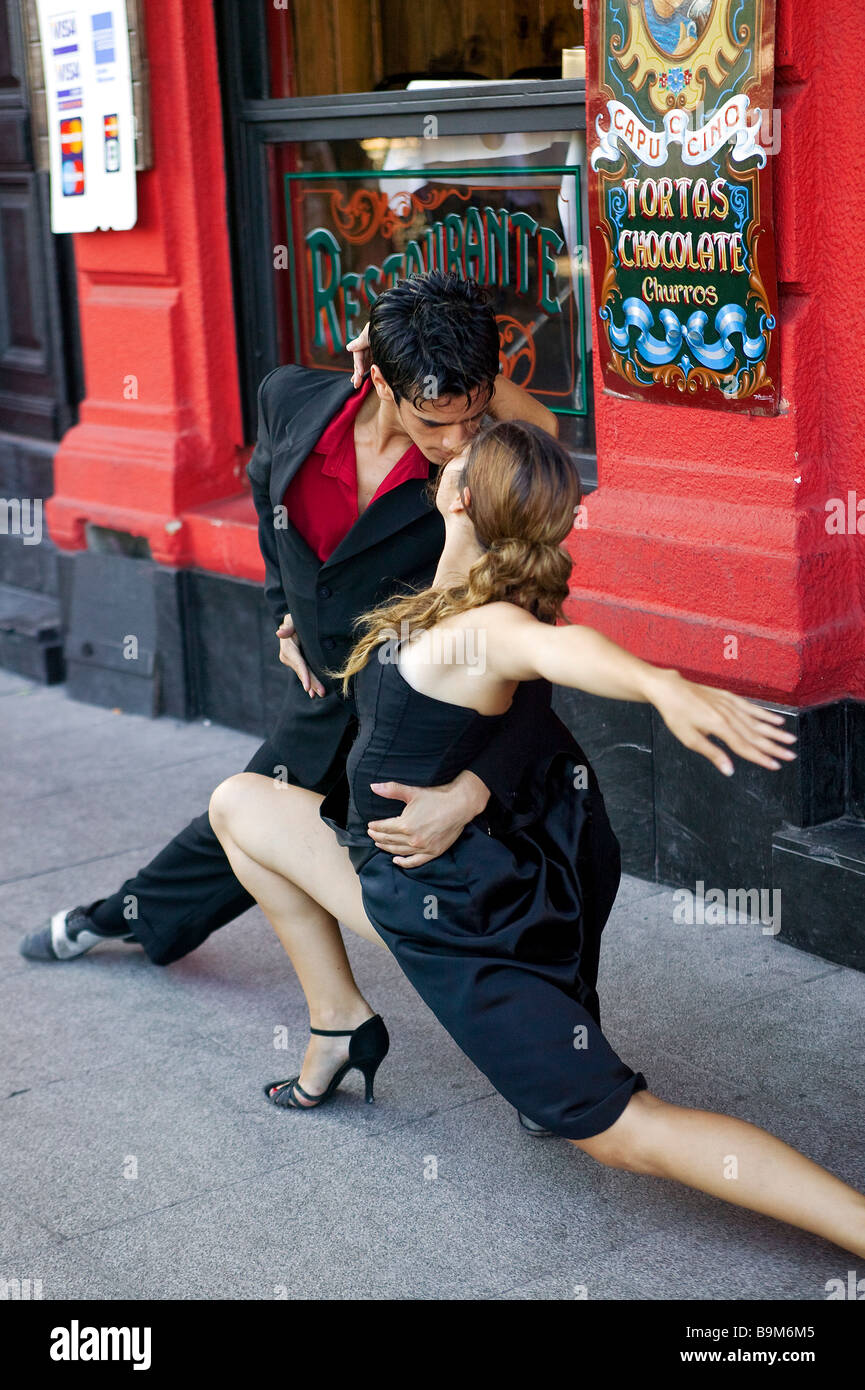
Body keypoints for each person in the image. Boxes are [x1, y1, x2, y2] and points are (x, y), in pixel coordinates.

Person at [208, 419, 865, 1257]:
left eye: (458, 459)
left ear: (456, 494)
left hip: (441, 913)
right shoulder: (453, 593)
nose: (446, 454)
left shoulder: (483, 628)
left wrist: (660, 684)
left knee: (622, 1131)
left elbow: (562, 651)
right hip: (418, 874)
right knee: (239, 802)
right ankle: (339, 1025)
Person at [19, 272, 558, 972]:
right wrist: (287, 612)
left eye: (473, 412)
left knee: (262, 820)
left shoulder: (482, 477)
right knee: (252, 814)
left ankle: (115, 919)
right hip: (321, 687)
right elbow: (268, 499)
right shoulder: (290, 395)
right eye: (436, 421)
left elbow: (533, 656)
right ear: (384, 385)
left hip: (419, 714)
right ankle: (126, 921)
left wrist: (472, 789)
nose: (458, 439)